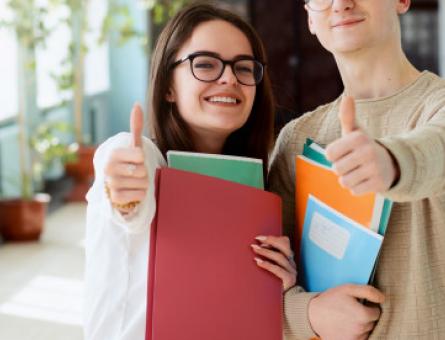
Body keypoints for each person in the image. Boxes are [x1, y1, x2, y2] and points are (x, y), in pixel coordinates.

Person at [268, 0, 445, 339]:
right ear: (310, 18)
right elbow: (268, 285)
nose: (341, 4)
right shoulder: (297, 138)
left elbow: (444, 149)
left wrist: (389, 162)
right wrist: (309, 313)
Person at [83, 3, 296, 340]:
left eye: (244, 68)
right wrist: (125, 194)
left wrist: (277, 285)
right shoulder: (139, 155)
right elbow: (130, 207)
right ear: (169, 86)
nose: (228, 78)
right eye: (206, 64)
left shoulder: (254, 189)